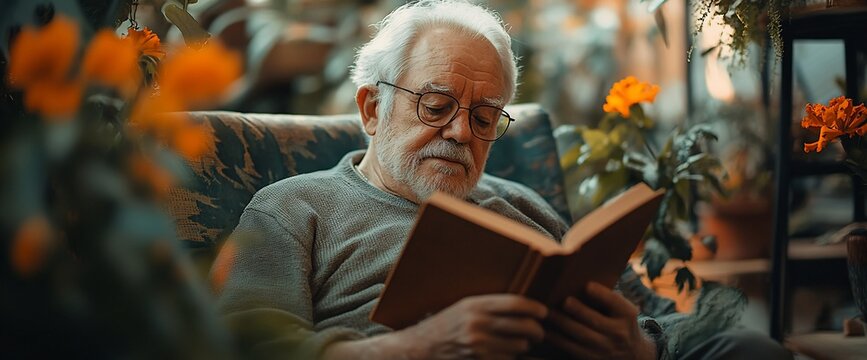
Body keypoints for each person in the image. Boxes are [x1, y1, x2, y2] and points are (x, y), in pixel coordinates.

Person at [212, 1, 792, 359]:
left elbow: (656, 320)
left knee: (750, 348)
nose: (462, 133)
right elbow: (248, 346)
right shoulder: (294, 207)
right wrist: (418, 349)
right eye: (436, 105)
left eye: (485, 117)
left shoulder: (523, 205)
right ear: (371, 109)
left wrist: (638, 346)